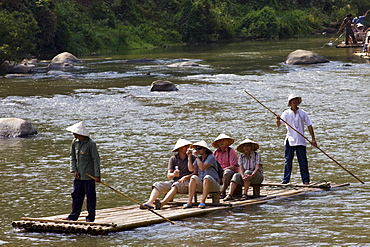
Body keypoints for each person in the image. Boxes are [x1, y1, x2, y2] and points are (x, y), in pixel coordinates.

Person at [140, 139, 195, 210]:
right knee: (157, 184)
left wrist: (185, 177)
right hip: (175, 181)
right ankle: (150, 203)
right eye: (185, 146)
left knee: (176, 185)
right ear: (180, 148)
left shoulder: (193, 158)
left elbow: (195, 172)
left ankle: (161, 204)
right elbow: (169, 176)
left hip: (187, 183)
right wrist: (174, 174)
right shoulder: (173, 159)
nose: (188, 148)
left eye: (188, 146)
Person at [63, 121, 101, 222]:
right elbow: (72, 157)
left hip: (89, 176)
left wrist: (97, 175)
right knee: (76, 195)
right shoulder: (74, 143)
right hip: (78, 176)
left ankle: (90, 217)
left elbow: (96, 160)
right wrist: (74, 170)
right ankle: (73, 216)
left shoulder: (91, 144)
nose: (73, 135)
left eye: (75, 133)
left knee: (90, 197)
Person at [275, 95, 317, 185]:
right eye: (292, 101)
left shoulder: (303, 113)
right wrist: (278, 120)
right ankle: (285, 180)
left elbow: (309, 125)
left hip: (300, 140)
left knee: (303, 161)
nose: (294, 102)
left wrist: (313, 139)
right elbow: (279, 125)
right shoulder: (286, 113)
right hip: (290, 139)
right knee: (288, 160)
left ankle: (305, 180)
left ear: (298, 102)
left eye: (295, 100)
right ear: (289, 103)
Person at [183, 140, 220, 209]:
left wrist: (196, 156)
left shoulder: (211, 157)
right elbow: (191, 169)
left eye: (199, 148)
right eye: (196, 149)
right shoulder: (198, 159)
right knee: (193, 177)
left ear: (205, 149)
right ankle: (189, 202)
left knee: (207, 177)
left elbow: (202, 167)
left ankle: (203, 201)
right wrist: (189, 157)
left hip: (213, 184)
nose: (197, 150)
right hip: (203, 184)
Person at [212, 133, 238, 199]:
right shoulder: (215, 152)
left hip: (229, 173)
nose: (221, 142)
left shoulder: (231, 151)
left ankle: (223, 191)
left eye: (223, 140)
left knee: (227, 172)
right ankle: (211, 192)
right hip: (218, 172)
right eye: (220, 141)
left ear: (227, 142)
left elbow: (233, 166)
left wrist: (223, 170)